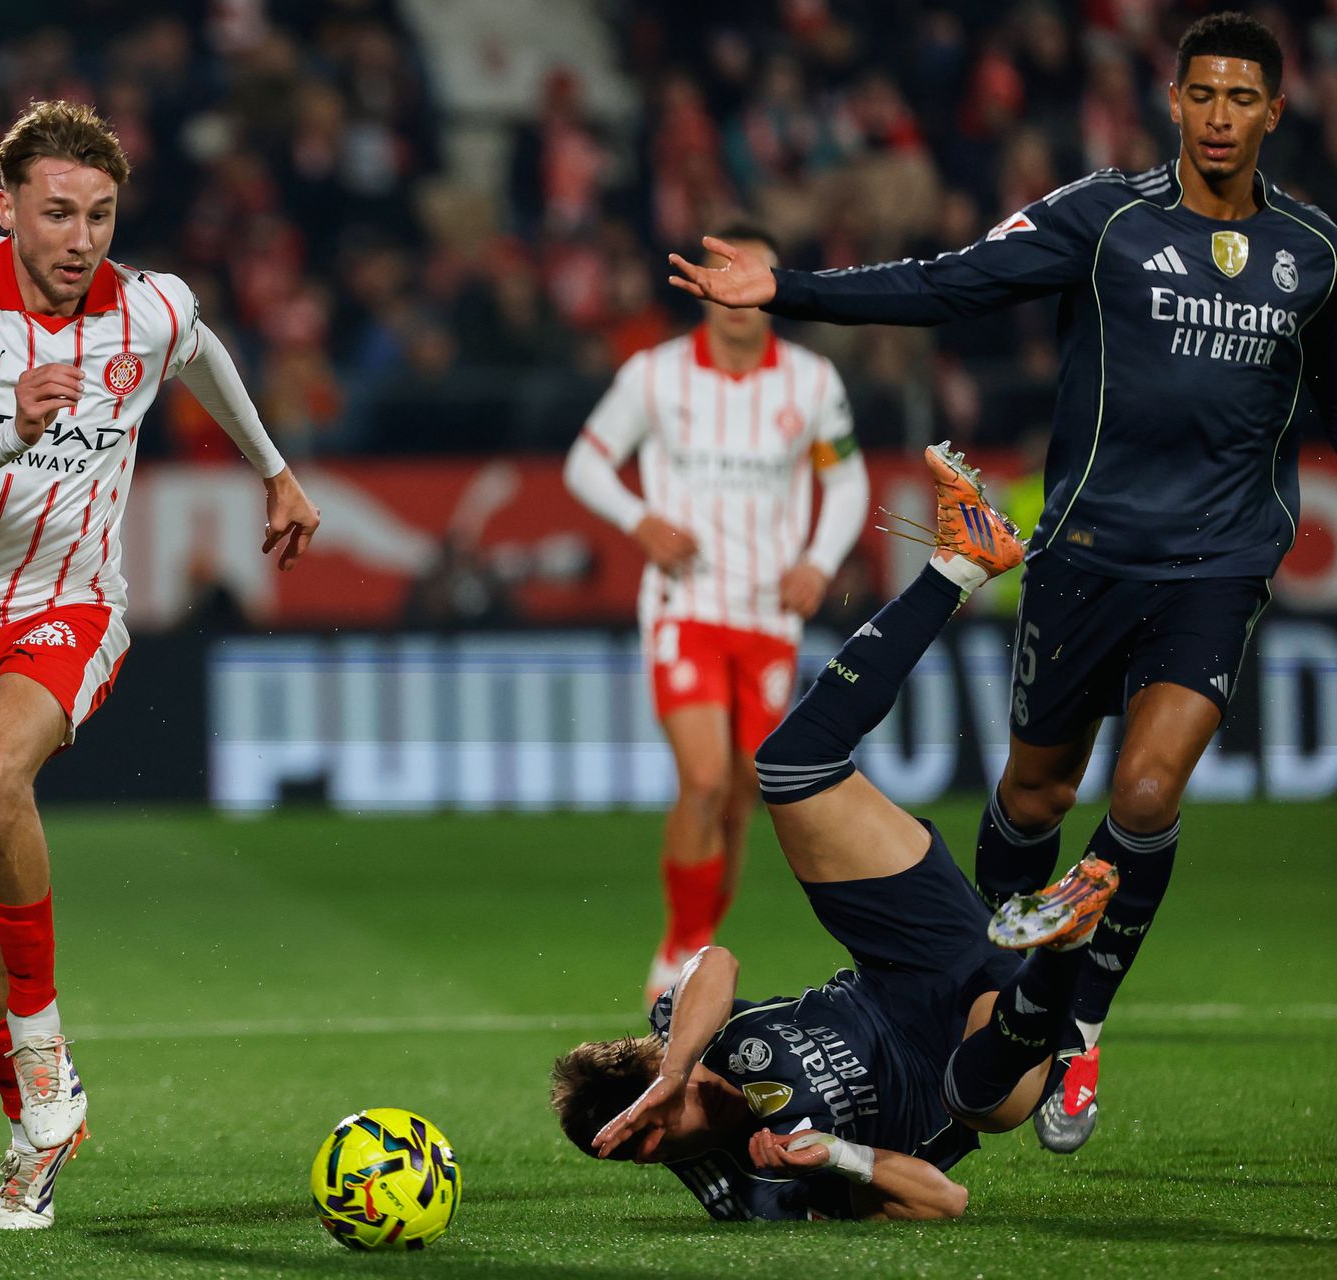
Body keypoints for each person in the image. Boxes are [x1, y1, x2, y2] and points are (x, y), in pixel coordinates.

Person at [663, 12, 1335, 1153]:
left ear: (1277, 110)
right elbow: (952, 283)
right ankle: (987, 996)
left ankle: (1076, 1025)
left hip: (1218, 565)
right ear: (1172, 100)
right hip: (1084, 559)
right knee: (1032, 800)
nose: (1220, 117)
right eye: (1203, 94)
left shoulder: (1315, 254)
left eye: (1242, 99)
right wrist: (791, 289)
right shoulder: (1103, 217)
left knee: (1147, 794)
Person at [0, 100, 321, 1230]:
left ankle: (44, 1053)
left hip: (68, 603)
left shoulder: (148, 306)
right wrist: (11, 429)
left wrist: (272, 466)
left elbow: (203, 346)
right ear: (7, 209)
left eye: (102, 215)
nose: (82, 238)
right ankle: (38, 1118)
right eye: (59, 212)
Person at [550, 446, 1118, 1221]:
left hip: (902, 957)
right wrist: (843, 1158)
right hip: (964, 1052)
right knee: (980, 1098)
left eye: (656, 1104)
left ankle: (959, 563)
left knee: (791, 765)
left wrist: (676, 1067)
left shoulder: (691, 1042)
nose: (672, 1123)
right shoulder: (757, 1186)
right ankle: (1064, 953)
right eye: (651, 1139)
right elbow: (943, 1202)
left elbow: (713, 960)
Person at [563, 222, 868, 1006]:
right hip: (685, 603)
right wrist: (639, 521)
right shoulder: (654, 377)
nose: (736, 289)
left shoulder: (811, 383)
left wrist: (817, 563)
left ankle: (696, 946)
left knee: (740, 793)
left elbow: (847, 485)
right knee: (701, 780)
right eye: (721, 269)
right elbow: (585, 461)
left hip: (768, 612)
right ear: (700, 282)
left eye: (753, 271)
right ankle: (681, 949)